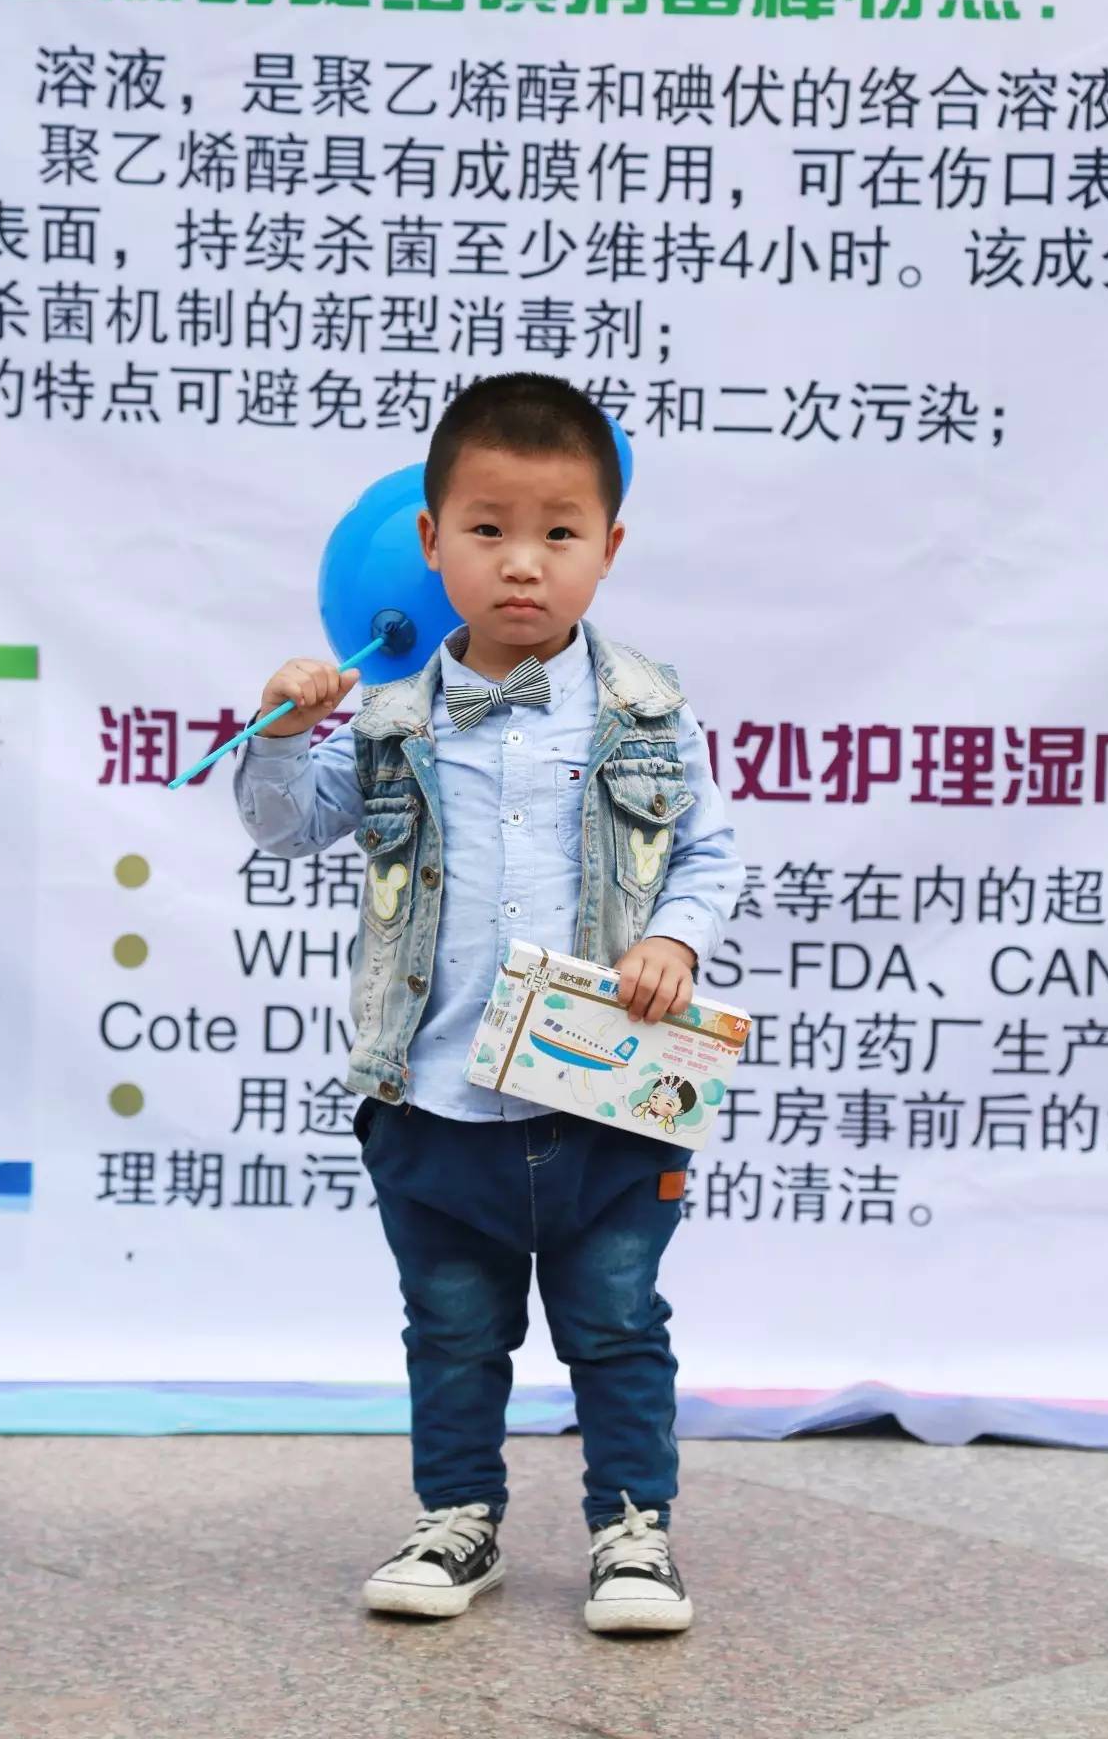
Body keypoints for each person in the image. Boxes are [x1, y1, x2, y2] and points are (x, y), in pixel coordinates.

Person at [233, 372, 744, 1635]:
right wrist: (284, 735)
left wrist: (672, 939)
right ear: (429, 540)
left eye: (559, 532)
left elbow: (709, 854)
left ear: (608, 548)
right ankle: (457, 1518)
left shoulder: (650, 711)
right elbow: (284, 831)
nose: (523, 563)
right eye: (487, 529)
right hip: (433, 1101)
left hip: (605, 1103)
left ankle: (632, 1531)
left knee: (617, 1325)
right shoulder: (387, 723)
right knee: (451, 1331)